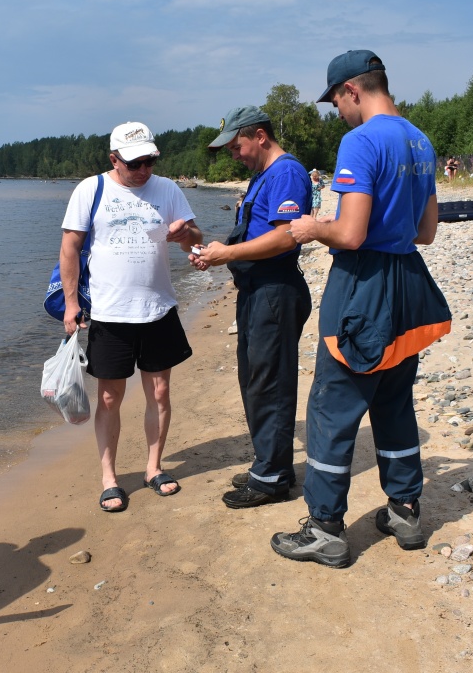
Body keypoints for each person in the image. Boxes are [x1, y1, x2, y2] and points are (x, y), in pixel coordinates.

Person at [271, 50, 452, 568]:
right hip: (407, 284)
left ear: (353, 89)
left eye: (336, 103)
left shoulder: (362, 140)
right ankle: (405, 510)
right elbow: (426, 232)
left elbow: (349, 233)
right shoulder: (420, 140)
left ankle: (326, 528)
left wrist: (310, 228)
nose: (339, 113)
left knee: (334, 405)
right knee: (394, 400)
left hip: (363, 286)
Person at [59, 121, 203, 512]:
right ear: (114, 159)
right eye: (135, 163)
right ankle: (110, 477)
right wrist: (72, 305)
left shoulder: (168, 189)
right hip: (110, 312)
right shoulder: (91, 189)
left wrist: (185, 235)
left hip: (158, 308)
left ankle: (153, 468)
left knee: (159, 392)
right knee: (109, 397)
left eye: (150, 161)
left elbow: (196, 237)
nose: (143, 170)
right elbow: (70, 248)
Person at [189, 106, 312, 509]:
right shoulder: (263, 176)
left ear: (259, 135)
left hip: (275, 291)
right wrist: (216, 252)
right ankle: (269, 463)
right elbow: (255, 230)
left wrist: (228, 254)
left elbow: (285, 238)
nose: (233, 155)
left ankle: (273, 478)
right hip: (257, 291)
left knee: (270, 383)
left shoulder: (287, 173)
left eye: (236, 146)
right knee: (256, 379)